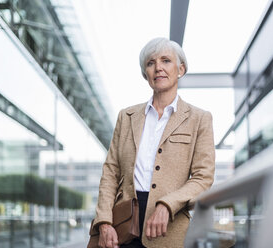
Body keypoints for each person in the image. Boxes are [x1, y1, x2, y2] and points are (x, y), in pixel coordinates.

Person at [90, 37, 215, 248]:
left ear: (181, 69)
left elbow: (203, 178)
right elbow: (110, 173)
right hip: (122, 227)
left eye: (166, 61)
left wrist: (167, 205)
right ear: (145, 74)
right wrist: (104, 221)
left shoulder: (199, 119)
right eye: (150, 63)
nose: (158, 68)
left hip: (170, 228)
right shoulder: (126, 116)